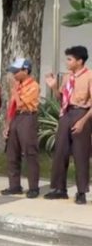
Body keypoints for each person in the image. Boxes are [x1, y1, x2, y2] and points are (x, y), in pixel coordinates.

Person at [45, 46, 92, 204]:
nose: (67, 62)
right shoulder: (67, 77)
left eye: (70, 59)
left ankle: (81, 192)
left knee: (80, 154)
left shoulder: (89, 76)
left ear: (80, 61)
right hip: (66, 113)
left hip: (81, 114)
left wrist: (82, 121)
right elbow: (62, 98)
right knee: (60, 152)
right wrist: (53, 87)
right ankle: (60, 189)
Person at [2, 58, 40, 198]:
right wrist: (7, 125)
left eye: (16, 72)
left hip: (27, 117)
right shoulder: (18, 85)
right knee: (12, 153)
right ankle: (14, 185)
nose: (14, 75)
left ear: (25, 70)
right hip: (16, 118)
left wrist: (14, 89)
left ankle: (34, 187)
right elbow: (11, 107)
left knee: (30, 152)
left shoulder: (33, 86)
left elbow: (20, 103)